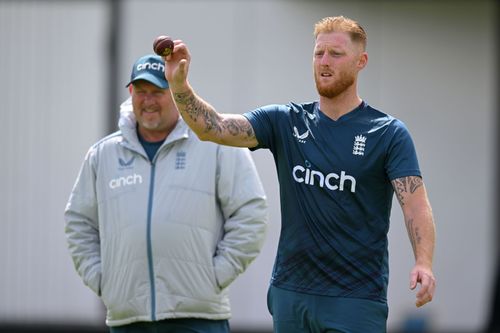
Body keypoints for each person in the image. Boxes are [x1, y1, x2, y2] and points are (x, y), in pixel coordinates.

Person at [164, 15, 436, 333]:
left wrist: (423, 262)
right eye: (318, 53)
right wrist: (178, 86)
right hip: (291, 293)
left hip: (356, 299)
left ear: (361, 61)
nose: (324, 61)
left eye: (336, 54)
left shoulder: (388, 133)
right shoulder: (286, 121)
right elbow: (214, 129)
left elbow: (415, 204)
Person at [64, 54, 268, 333]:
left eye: (158, 92)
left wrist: (214, 276)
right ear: (131, 92)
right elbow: (78, 222)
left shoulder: (215, 144)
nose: (148, 101)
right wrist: (103, 280)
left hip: (198, 317)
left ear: (175, 93)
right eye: (142, 92)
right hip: (129, 318)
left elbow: (251, 212)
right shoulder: (103, 154)